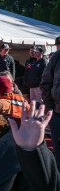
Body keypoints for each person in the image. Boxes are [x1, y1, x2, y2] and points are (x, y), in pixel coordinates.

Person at [40, 35, 60, 166]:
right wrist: (50, 107)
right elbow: (45, 83)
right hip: (58, 113)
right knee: (58, 149)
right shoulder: (57, 57)